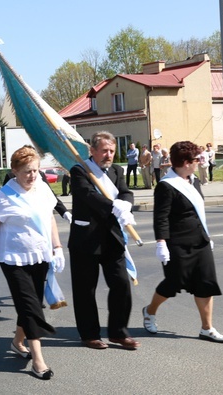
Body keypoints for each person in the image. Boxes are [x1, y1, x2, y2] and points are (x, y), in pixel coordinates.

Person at [0, 146, 65, 380]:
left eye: (36, 170)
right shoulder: (4, 196)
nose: (33, 176)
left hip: (40, 256)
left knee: (31, 304)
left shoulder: (43, 189)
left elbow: (49, 218)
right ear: (15, 171)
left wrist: (57, 248)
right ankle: (38, 360)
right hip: (14, 259)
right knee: (30, 307)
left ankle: (18, 342)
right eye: (27, 171)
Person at [142, 141, 223, 343]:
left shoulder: (194, 180)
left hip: (200, 241)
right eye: (196, 159)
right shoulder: (166, 186)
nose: (199, 162)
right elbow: (161, 217)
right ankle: (149, 311)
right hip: (177, 243)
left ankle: (207, 328)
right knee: (173, 283)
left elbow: (198, 211)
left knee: (206, 283)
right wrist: (161, 242)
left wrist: (207, 236)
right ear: (185, 162)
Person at [69, 131, 139, 350]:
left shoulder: (117, 170)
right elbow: (88, 195)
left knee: (121, 285)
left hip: (112, 238)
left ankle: (118, 332)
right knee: (85, 290)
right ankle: (89, 334)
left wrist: (126, 204)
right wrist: (113, 206)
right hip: (86, 239)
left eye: (112, 151)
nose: (109, 155)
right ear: (93, 151)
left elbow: (126, 193)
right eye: (104, 151)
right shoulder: (80, 170)